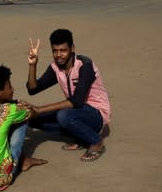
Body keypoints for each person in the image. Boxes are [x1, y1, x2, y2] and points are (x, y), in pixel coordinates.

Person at [26, 29, 111, 162]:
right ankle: (81, 137)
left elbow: (76, 101)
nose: (59, 55)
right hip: (76, 112)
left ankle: (96, 142)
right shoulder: (56, 67)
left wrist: (40, 108)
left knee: (63, 115)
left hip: (96, 115)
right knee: (31, 117)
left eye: (63, 50)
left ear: (72, 48)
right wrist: (32, 65)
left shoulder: (85, 65)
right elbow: (33, 89)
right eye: (55, 51)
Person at [0, 65, 48, 191]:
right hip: (2, 177)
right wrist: (21, 105)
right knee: (23, 118)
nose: (13, 89)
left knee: (2, 125)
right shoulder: (8, 111)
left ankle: (23, 159)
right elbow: (33, 114)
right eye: (9, 87)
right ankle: (22, 162)